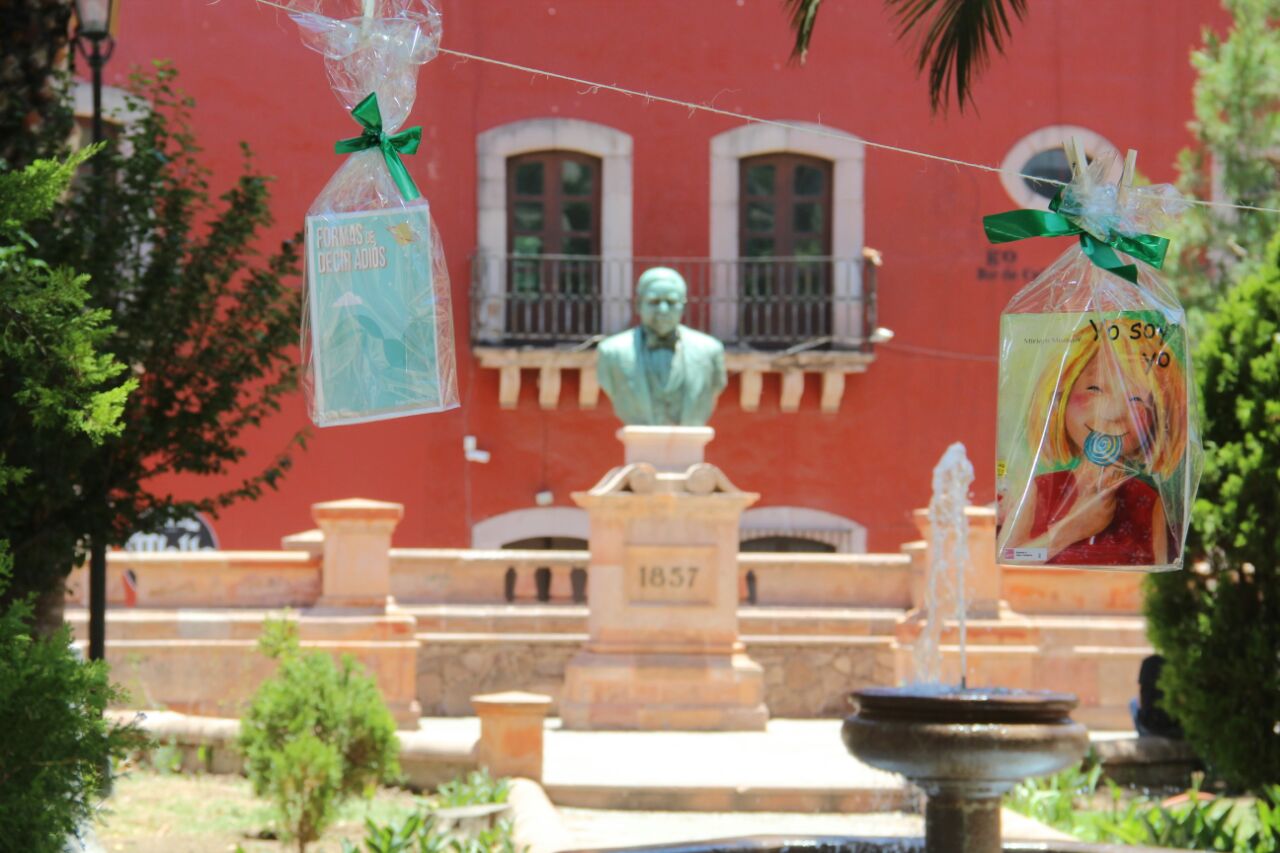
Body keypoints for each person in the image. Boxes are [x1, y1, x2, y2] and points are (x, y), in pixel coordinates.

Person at [1001, 319, 1187, 566]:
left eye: (1136, 399)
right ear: (1061, 395)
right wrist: (1068, 530)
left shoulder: (1148, 503)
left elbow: (1155, 576)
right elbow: (1009, 558)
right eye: (1095, 389)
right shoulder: (1039, 490)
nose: (1113, 412)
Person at [596, 267, 727, 426]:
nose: (663, 310)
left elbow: (717, 385)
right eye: (654, 302)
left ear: (683, 306)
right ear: (638, 305)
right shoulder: (612, 352)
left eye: (671, 302)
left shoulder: (710, 351)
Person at [1131, 654, 1182, 738]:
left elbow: (1141, 696)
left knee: (1133, 703)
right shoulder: (1174, 664)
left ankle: (1144, 736)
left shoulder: (1148, 664)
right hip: (1172, 724)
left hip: (1150, 723)